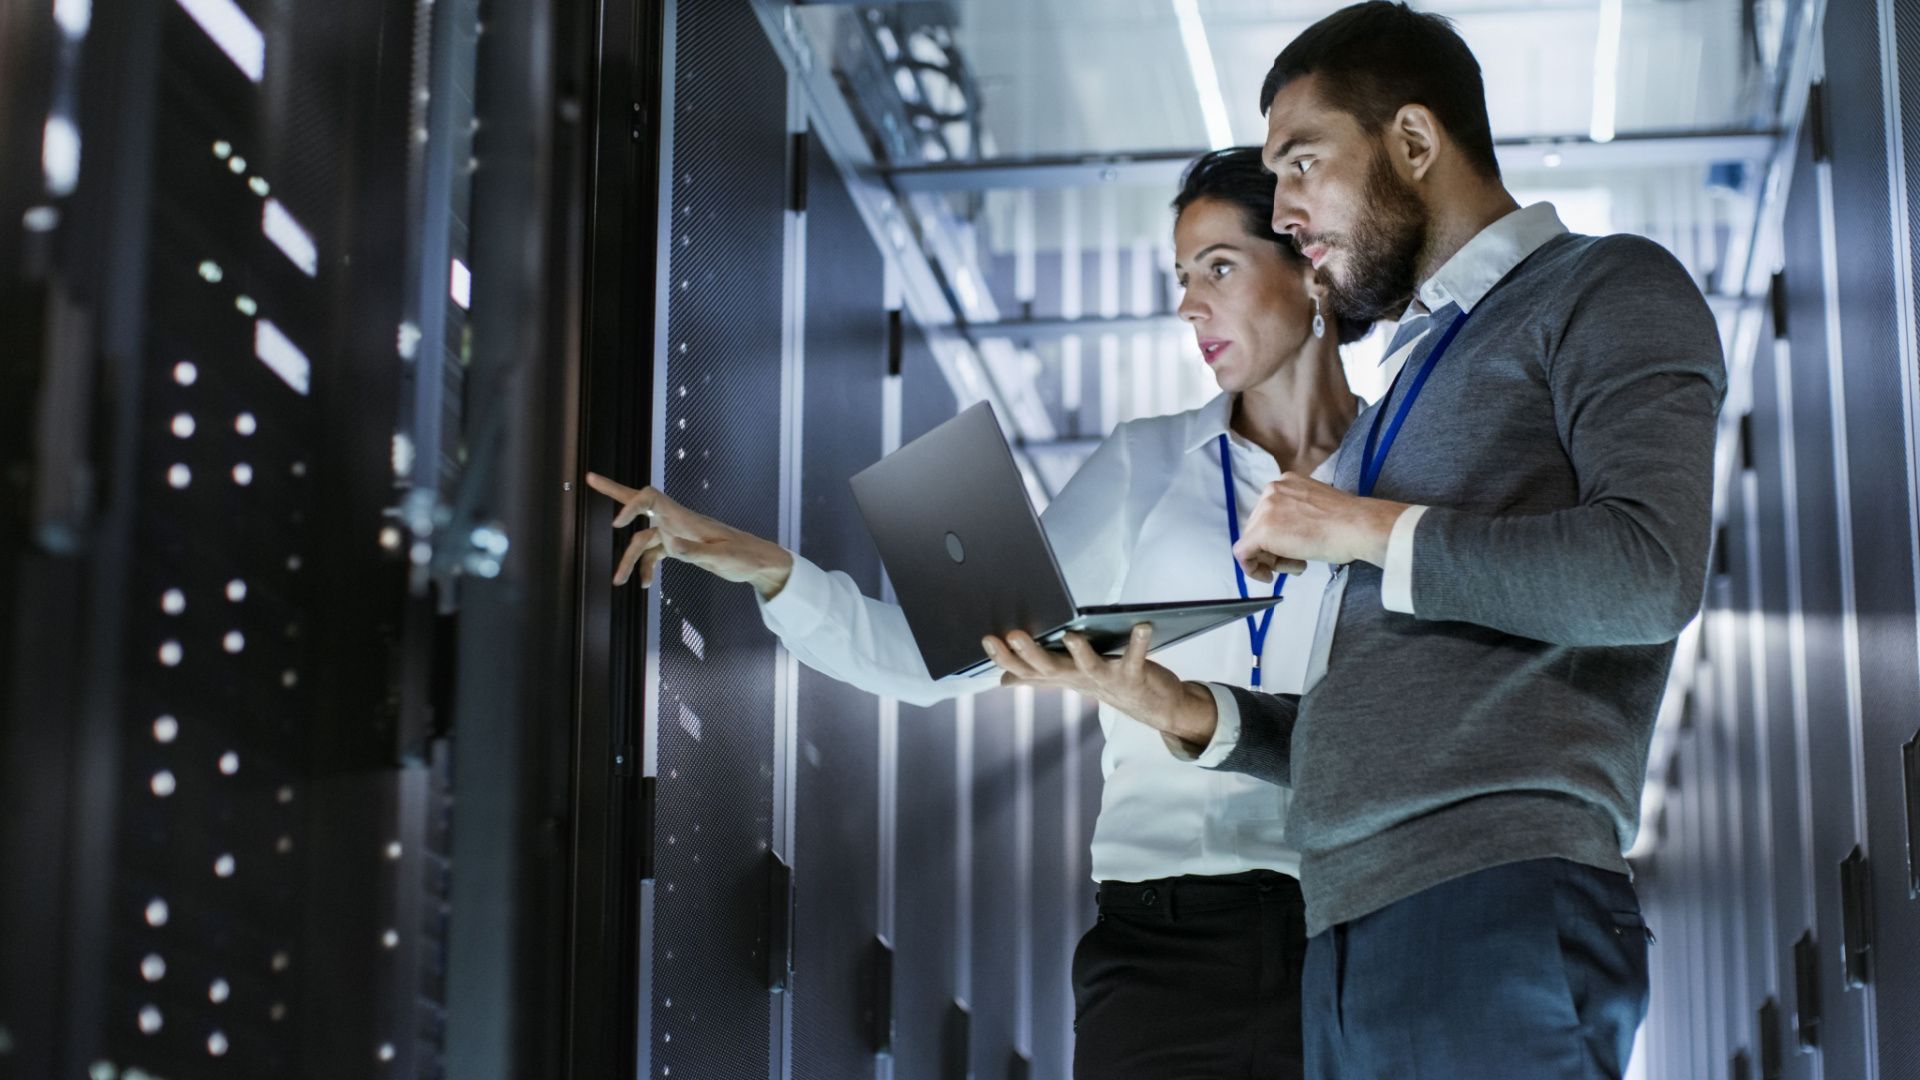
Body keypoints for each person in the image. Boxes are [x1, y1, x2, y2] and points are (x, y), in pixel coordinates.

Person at [982, 5, 1726, 1078]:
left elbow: (1647, 572)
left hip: (1493, 899)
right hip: (1347, 930)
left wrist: (1359, 526)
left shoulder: (1606, 288)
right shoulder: (1411, 387)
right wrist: (1188, 714)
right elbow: (1380, 709)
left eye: (1302, 163)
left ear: (1414, 144)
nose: (1287, 210)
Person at [587, 147, 1369, 1079]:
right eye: (1181, 278)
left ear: (1308, 264)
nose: (1189, 305)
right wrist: (770, 570)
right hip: (1164, 944)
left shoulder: (1402, 473)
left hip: (1354, 930)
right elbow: (942, 660)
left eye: (1220, 268)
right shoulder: (1144, 466)